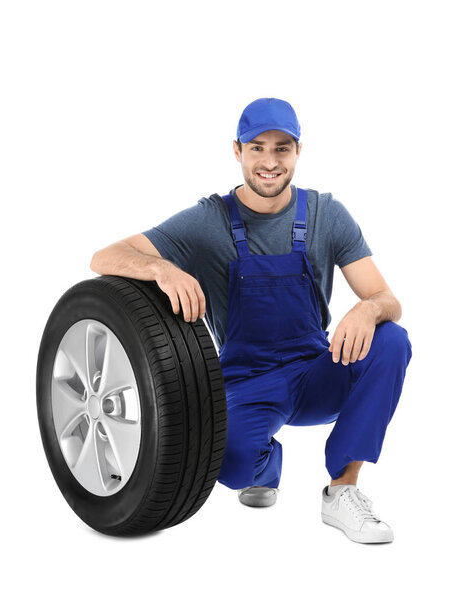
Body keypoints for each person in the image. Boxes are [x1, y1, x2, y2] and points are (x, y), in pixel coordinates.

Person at [90, 97, 412, 544]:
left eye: (281, 148)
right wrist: (162, 268)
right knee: (228, 462)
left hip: (317, 372)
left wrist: (368, 307)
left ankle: (343, 489)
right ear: (237, 151)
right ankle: (264, 464)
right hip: (245, 381)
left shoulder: (326, 215)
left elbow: (386, 298)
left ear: (298, 152)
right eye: (257, 147)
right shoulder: (208, 221)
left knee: (393, 340)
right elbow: (105, 257)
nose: (269, 161)